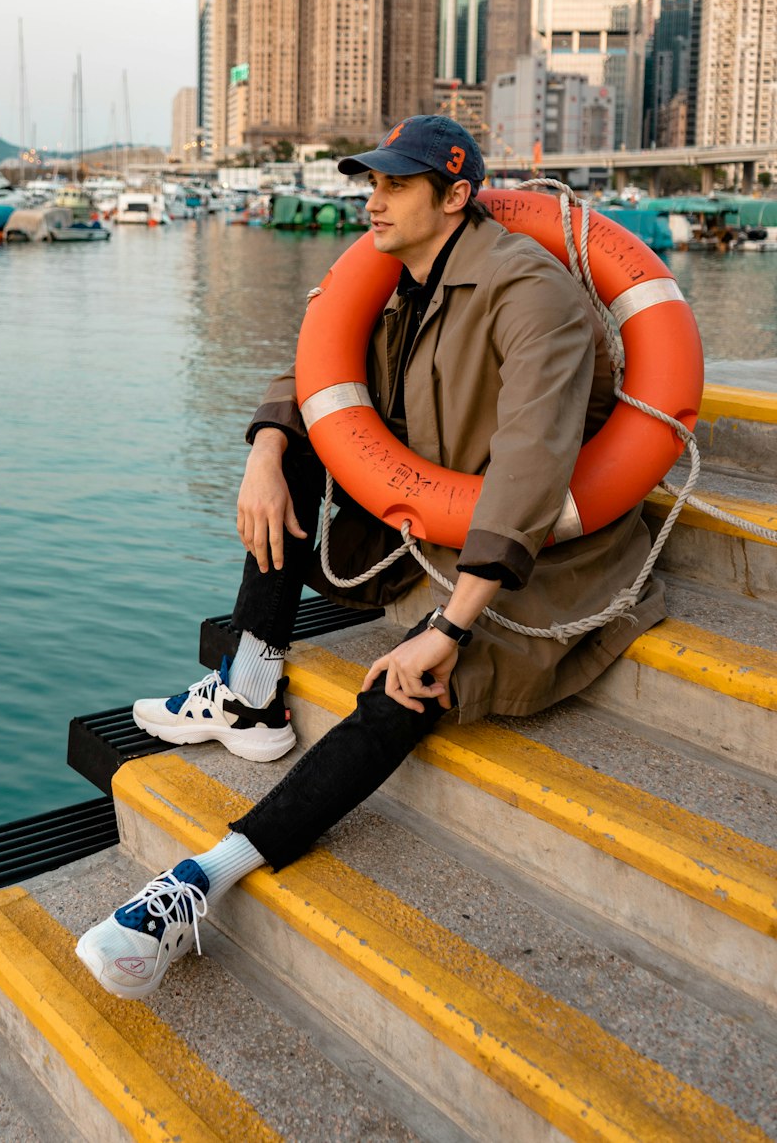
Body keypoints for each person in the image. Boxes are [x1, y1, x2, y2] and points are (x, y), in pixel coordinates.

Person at [76, 115, 664, 999]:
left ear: (457, 196)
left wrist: (450, 627)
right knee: (300, 441)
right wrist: (267, 453)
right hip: (421, 525)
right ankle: (250, 689)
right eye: (369, 183)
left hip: (537, 556)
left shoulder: (533, 296)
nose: (371, 200)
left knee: (412, 680)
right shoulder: (389, 277)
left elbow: (530, 467)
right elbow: (315, 374)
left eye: (393, 184)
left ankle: (204, 878)